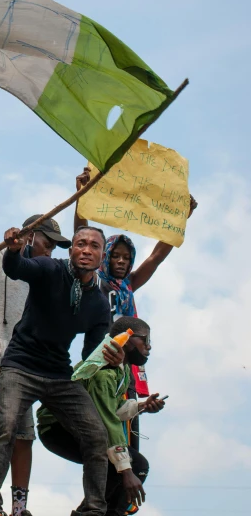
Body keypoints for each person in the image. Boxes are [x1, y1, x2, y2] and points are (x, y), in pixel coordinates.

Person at [0, 224, 124, 516]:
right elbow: (16, 267)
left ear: (102, 256)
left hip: (59, 375)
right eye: (80, 244)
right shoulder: (49, 268)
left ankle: (94, 509)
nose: (86, 250)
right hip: (20, 366)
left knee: (96, 435)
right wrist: (14, 248)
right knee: (6, 427)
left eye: (94, 246)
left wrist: (112, 358)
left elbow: (90, 357)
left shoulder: (98, 302)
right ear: (71, 251)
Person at [0, 214, 73, 516]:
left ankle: (19, 508)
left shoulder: (44, 277)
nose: (51, 253)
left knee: (23, 437)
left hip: (20, 369)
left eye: (56, 248)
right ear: (30, 237)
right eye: (48, 244)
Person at [75, 180, 197, 444]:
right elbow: (81, 235)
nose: (121, 261)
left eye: (127, 258)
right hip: (101, 365)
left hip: (127, 370)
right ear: (106, 256)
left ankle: (126, 470)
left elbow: (156, 257)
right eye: (116, 256)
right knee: (103, 436)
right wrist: (81, 196)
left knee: (129, 435)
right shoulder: (94, 280)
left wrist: (180, 219)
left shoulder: (130, 284)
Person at [37, 316, 166, 515]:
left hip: (81, 426)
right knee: (129, 465)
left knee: (126, 465)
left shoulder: (122, 370)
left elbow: (114, 408)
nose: (149, 347)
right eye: (146, 340)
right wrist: (127, 471)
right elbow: (107, 419)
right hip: (57, 428)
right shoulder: (104, 370)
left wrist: (142, 406)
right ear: (128, 338)